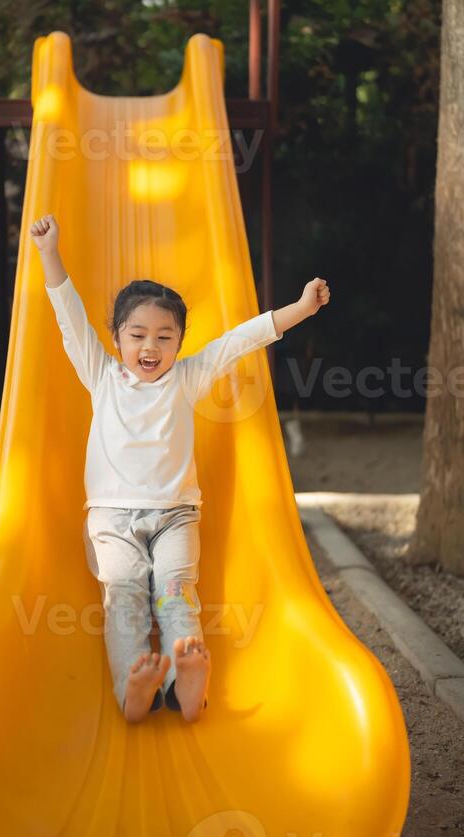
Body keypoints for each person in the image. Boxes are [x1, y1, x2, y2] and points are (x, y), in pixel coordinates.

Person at [30, 213, 330, 725]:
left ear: (180, 341)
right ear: (117, 337)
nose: (151, 347)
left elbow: (241, 339)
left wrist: (301, 310)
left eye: (165, 337)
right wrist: (48, 252)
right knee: (124, 595)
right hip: (111, 520)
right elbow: (67, 313)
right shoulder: (100, 374)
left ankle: (184, 685)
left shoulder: (186, 378)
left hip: (175, 517)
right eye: (138, 335)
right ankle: (134, 687)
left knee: (174, 590)